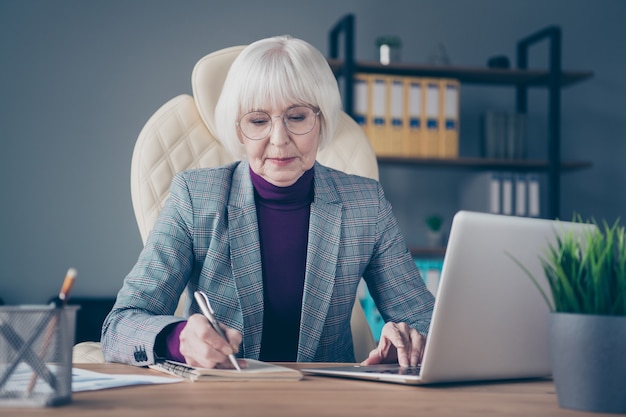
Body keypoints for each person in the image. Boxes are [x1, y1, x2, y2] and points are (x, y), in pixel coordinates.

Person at [101, 35, 435, 369]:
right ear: (239, 129)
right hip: (223, 397)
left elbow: (426, 320)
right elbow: (119, 327)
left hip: (328, 398)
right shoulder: (194, 196)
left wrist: (410, 340)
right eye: (258, 121)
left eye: (298, 117)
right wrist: (177, 339)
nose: (279, 139)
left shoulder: (367, 203)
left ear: (321, 121)